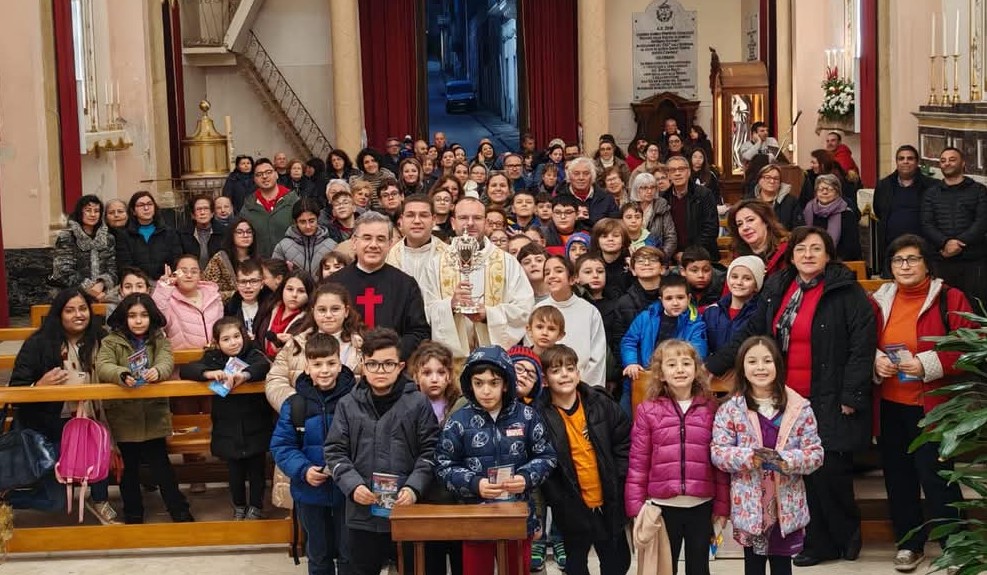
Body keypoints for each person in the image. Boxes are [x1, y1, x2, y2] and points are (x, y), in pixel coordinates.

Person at [704, 227, 876, 567]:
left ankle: (846, 535)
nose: (808, 255)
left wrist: (851, 394)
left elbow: (861, 346)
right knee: (795, 474)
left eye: (816, 249)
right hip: (784, 396)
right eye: (801, 249)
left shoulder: (846, 291)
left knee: (831, 471)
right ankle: (816, 542)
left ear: (828, 255)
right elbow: (753, 335)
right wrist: (712, 365)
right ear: (792, 255)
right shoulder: (778, 287)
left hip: (828, 393)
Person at [870, 234, 972, 572]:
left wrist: (930, 363)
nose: (905, 266)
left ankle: (956, 546)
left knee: (938, 478)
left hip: (933, 406)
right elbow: (861, 343)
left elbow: (972, 346)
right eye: (898, 260)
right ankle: (910, 544)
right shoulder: (878, 300)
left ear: (927, 262)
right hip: (889, 406)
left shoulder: (949, 297)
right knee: (898, 480)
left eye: (912, 259)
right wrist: (876, 361)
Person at [325, 328, 440, 575]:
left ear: (400, 366)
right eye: (373, 364)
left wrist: (413, 488)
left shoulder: (417, 403)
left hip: (406, 509)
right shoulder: (347, 404)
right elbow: (335, 452)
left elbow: (430, 450)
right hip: (361, 512)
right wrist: (354, 486)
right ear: (363, 365)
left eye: (388, 364)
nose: (380, 371)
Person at [434, 345, 558, 575]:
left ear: (506, 384)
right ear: (469, 384)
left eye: (493, 383)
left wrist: (525, 477)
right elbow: (443, 465)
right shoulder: (458, 421)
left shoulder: (527, 416)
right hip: (475, 517)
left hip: (517, 516)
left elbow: (547, 456)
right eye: (479, 383)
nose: (486, 391)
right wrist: (474, 483)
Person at [711, 336, 824, 575]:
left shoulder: (799, 407)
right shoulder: (731, 409)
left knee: (782, 565)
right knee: (753, 565)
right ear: (742, 367)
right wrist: (748, 457)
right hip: (750, 503)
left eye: (767, 361)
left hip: (786, 504)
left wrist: (788, 460)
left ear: (778, 366)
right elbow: (718, 452)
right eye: (752, 361)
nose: (760, 368)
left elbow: (815, 454)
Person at [7, 289, 118, 523]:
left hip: (92, 420)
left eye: (82, 309)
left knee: (95, 438)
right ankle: (8, 498)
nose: (78, 315)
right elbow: (15, 389)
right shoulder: (38, 344)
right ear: (59, 315)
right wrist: (39, 385)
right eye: (70, 310)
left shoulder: (102, 340)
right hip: (48, 428)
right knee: (55, 502)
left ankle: (99, 500)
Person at [624, 339, 729, 575]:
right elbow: (638, 462)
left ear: (696, 369)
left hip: (701, 506)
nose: (680, 369)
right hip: (662, 507)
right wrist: (636, 507)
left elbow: (720, 464)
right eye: (672, 364)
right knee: (663, 569)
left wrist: (722, 506)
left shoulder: (711, 409)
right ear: (661, 374)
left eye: (686, 363)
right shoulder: (647, 410)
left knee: (699, 568)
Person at [96, 293, 193, 524]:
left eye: (143, 315)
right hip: (124, 415)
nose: (138, 321)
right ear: (123, 318)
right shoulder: (111, 341)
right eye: (132, 316)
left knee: (162, 467)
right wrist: (121, 374)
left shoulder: (159, 339)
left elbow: (166, 360)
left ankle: (178, 509)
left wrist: (158, 372)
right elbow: (103, 365)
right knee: (129, 469)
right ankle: (133, 512)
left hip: (153, 414)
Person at [535, 344, 631, 575]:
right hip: (571, 506)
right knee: (576, 564)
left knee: (617, 562)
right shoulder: (539, 414)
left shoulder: (601, 403)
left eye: (570, 368)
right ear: (546, 380)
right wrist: (558, 498)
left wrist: (618, 478)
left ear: (579, 373)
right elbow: (541, 461)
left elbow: (624, 442)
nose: (565, 374)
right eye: (556, 370)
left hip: (608, 499)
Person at [270, 333, 356, 575]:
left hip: (348, 492)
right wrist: (304, 469)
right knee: (318, 555)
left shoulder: (355, 400)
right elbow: (282, 446)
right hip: (310, 493)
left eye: (331, 363)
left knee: (350, 553)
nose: (325, 370)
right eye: (317, 364)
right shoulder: (295, 405)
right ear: (307, 368)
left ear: (340, 364)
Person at [421, 197, 534, 363]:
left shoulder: (507, 262)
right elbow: (425, 310)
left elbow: (524, 309)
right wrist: (449, 306)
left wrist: (488, 314)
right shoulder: (436, 264)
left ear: (486, 223)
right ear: (453, 222)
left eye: (477, 218)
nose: (470, 223)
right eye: (463, 218)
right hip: (450, 363)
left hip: (495, 360)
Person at [180, 317, 272, 520]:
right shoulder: (213, 358)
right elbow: (187, 369)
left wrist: (245, 376)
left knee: (257, 469)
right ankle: (239, 505)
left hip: (255, 422)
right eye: (226, 339)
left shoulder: (253, 353)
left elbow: (262, 367)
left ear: (244, 336)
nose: (233, 342)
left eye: (237, 336)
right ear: (217, 342)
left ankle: (256, 505)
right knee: (234, 471)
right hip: (227, 426)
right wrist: (209, 373)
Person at [331, 211, 430, 360]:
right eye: (367, 238)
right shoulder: (333, 284)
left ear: (390, 244)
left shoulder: (406, 285)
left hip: (392, 368)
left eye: (381, 239)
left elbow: (418, 332)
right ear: (354, 242)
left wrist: (389, 356)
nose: (373, 245)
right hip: (342, 368)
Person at [265, 281, 365, 418]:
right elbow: (275, 379)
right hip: (307, 420)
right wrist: (294, 404)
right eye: (322, 310)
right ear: (313, 311)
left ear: (346, 311)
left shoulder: (362, 346)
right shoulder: (296, 344)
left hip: (350, 420)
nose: (328, 315)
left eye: (335, 309)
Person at [921, 146, 987, 306]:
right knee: (944, 306)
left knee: (974, 307)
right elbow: (926, 223)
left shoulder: (979, 190)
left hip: (973, 260)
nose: (947, 163)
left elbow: (982, 221)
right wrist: (945, 242)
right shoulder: (931, 193)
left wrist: (958, 243)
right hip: (942, 260)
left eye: (952, 159)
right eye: (943, 161)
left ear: (963, 163)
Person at [621, 273, 708, 383]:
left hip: (678, 377)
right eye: (669, 298)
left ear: (689, 298)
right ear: (661, 299)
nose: (675, 303)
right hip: (645, 375)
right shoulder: (646, 317)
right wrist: (631, 362)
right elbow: (629, 341)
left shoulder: (695, 323)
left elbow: (698, 352)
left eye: (680, 297)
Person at [535, 255, 607, 387]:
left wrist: (582, 387)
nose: (551, 276)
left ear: (573, 279)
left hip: (583, 385)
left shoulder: (589, 311)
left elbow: (597, 357)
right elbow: (534, 350)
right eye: (547, 272)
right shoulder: (538, 310)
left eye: (558, 270)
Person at [873, 145, 935, 277]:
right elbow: (878, 211)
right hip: (892, 249)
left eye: (910, 158)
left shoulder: (931, 186)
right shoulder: (884, 185)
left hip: (922, 249)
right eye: (901, 158)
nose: (905, 162)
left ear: (917, 162)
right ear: (897, 162)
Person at [50, 195, 117, 300]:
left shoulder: (108, 238)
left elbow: (112, 269)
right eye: (88, 210)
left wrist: (101, 284)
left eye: (96, 211)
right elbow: (63, 272)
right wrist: (90, 290)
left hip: (103, 294)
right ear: (80, 212)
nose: (93, 214)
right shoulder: (67, 237)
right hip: (72, 295)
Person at [152, 254, 223, 351]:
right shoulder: (167, 299)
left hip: (214, 358)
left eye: (194, 271)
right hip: (183, 360)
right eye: (183, 271)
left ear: (200, 275)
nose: (189, 275)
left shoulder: (214, 296)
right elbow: (156, 319)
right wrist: (164, 285)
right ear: (175, 274)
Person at [661, 155, 720, 263]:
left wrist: (689, 254)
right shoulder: (663, 199)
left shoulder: (704, 194)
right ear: (668, 175)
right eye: (673, 170)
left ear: (688, 172)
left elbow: (711, 229)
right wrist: (674, 254)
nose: (677, 173)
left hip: (702, 256)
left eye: (681, 169)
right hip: (673, 258)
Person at [703, 256, 765, 356]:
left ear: (756, 286)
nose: (739, 282)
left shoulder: (759, 314)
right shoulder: (712, 312)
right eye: (734, 277)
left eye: (747, 278)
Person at [610, 247, 665, 358]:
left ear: (662, 269)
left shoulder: (676, 297)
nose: (646, 263)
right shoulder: (624, 303)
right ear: (633, 271)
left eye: (653, 260)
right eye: (640, 261)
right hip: (637, 369)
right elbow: (619, 342)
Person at [241, 157, 300, 258]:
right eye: (259, 174)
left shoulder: (293, 201)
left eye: (268, 172)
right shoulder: (248, 206)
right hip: (260, 264)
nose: (264, 176)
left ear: (276, 174)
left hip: (290, 262)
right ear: (254, 179)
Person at [115, 191, 182, 280]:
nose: (146, 208)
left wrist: (172, 277)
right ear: (133, 211)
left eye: (150, 204)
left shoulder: (169, 233)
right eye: (141, 205)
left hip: (166, 283)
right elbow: (124, 267)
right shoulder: (125, 236)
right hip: (137, 285)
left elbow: (178, 262)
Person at [386, 194, 448, 285]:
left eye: (423, 215)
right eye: (410, 215)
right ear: (401, 220)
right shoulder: (388, 257)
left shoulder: (449, 255)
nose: (417, 221)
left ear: (434, 220)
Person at [272, 198, 339, 277]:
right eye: (302, 222)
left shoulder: (331, 245)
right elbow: (275, 277)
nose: (308, 226)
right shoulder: (283, 247)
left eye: (311, 221)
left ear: (318, 219)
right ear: (295, 222)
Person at [255, 269, 313, 359]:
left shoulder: (310, 319)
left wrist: (294, 342)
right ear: (282, 289)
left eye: (301, 291)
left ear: (309, 295)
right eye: (289, 289)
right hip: (260, 363)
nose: (294, 295)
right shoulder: (269, 307)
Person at [803, 174, 861, 261]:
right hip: (810, 259)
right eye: (821, 189)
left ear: (837, 192)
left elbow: (851, 247)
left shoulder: (847, 214)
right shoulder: (808, 210)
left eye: (829, 189)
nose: (825, 192)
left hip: (839, 263)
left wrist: (830, 260)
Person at [727, 199, 790, 279]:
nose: (745, 227)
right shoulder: (737, 255)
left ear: (766, 221)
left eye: (750, 220)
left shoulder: (786, 252)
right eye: (739, 224)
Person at [203, 217, 258, 303]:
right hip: (225, 310)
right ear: (231, 235)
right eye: (240, 232)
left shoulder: (257, 260)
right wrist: (237, 294)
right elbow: (207, 290)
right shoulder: (220, 259)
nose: (245, 235)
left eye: (249, 232)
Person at [556, 157, 620, 225]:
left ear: (592, 176)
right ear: (569, 176)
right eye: (576, 174)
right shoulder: (559, 198)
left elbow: (615, 226)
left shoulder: (607, 199)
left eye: (586, 173)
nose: (581, 178)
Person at [629, 173, 677, 259]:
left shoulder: (662, 206)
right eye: (644, 188)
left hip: (657, 256)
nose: (649, 191)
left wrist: (661, 258)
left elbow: (670, 237)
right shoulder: (628, 207)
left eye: (652, 187)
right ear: (636, 189)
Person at [748, 164, 803, 232]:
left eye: (776, 178)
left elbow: (799, 229)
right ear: (759, 180)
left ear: (780, 182)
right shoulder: (748, 201)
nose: (772, 181)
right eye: (767, 177)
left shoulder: (791, 202)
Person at [224, 258, 270, 336]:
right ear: (237, 284)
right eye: (243, 282)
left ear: (262, 284)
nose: (248, 286)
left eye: (254, 281)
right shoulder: (230, 309)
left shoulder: (271, 306)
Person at [588, 218, 632, 294]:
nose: (610, 239)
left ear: (623, 240)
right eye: (604, 236)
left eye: (615, 236)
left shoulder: (631, 264)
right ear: (597, 241)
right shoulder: (590, 264)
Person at [180, 195, 224, 270]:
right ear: (193, 215)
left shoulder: (223, 233)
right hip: (191, 277)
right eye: (198, 209)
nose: (202, 212)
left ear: (212, 213)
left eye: (206, 209)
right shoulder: (182, 234)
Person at [681, 246, 725, 313]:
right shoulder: (675, 287)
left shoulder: (722, 285)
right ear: (683, 271)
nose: (701, 275)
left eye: (706, 270)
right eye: (694, 270)